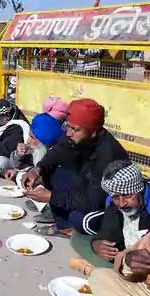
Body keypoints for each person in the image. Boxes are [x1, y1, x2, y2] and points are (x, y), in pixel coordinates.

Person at [22, 98, 129, 236]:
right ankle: (63, 224)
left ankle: (73, 230)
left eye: (75, 129)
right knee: (50, 171)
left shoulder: (108, 155)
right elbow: (58, 151)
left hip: (109, 204)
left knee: (80, 219)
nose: (68, 133)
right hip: (87, 184)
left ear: (93, 132)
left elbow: (93, 201)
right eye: (68, 126)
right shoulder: (75, 136)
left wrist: (52, 197)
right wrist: (37, 169)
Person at [70, 160, 150, 273]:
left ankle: (98, 271)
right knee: (77, 239)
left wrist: (125, 260)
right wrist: (97, 244)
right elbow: (108, 230)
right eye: (116, 197)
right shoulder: (112, 201)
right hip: (123, 252)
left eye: (127, 195)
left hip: (143, 264)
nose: (121, 203)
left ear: (139, 189)